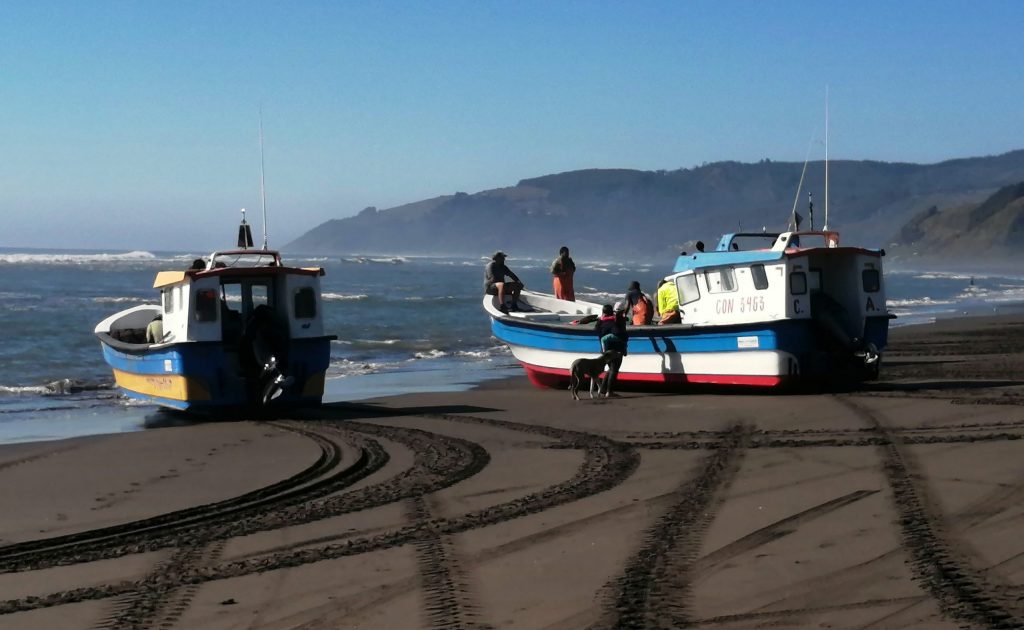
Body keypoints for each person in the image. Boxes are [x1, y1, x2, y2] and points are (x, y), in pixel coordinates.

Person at [595, 303, 628, 396]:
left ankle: (603, 389)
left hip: (604, 350)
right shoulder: (613, 322)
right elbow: (618, 333)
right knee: (614, 370)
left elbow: (597, 330)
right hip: (615, 350)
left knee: (610, 369)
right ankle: (609, 392)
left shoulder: (600, 322)